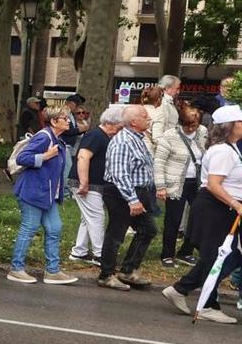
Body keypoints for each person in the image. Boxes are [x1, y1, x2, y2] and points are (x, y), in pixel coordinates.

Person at [162, 105, 242, 323]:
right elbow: (215, 185)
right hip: (216, 208)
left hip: (224, 207)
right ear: (229, 126)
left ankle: (183, 289)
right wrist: (236, 204)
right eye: (241, 122)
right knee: (217, 256)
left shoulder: (232, 149)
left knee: (229, 255)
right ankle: (205, 304)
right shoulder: (223, 151)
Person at [7, 108, 78, 284]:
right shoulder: (44, 137)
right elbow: (23, 158)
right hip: (33, 192)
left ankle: (52, 271)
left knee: (55, 228)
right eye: (65, 118)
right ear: (53, 121)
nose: (69, 121)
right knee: (29, 228)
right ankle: (16, 269)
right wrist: (45, 156)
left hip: (47, 195)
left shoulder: (57, 139)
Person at [98, 104, 159, 290]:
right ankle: (106, 274)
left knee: (148, 230)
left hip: (138, 191)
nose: (148, 119)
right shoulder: (123, 141)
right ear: (133, 121)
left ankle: (128, 270)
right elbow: (119, 173)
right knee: (116, 233)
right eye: (144, 116)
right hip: (121, 193)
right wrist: (132, 199)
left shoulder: (138, 138)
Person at [153, 100, 205, 266]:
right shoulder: (170, 136)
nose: (191, 129)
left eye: (194, 125)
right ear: (181, 123)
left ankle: (186, 251)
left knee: (198, 217)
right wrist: (161, 186)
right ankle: (167, 254)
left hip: (196, 182)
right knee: (173, 219)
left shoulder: (203, 132)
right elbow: (159, 162)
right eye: (188, 125)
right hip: (175, 183)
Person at [69, 106, 122, 262]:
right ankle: (100, 254)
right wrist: (84, 183)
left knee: (88, 218)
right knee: (96, 217)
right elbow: (83, 157)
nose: (120, 131)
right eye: (119, 127)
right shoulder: (96, 135)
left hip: (93, 183)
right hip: (87, 183)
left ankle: (79, 251)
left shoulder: (102, 136)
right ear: (110, 123)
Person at [150, 74, 181, 140]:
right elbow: (158, 130)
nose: (178, 92)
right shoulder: (163, 103)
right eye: (177, 88)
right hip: (165, 143)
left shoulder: (167, 102)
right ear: (167, 88)